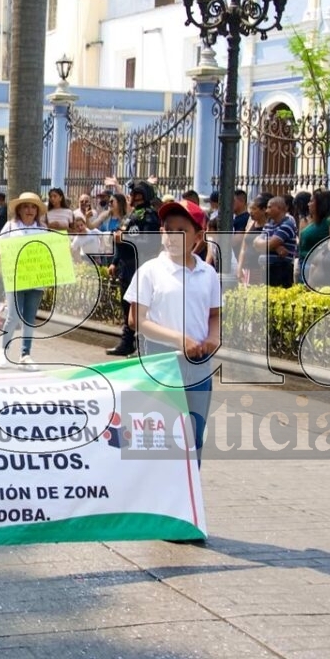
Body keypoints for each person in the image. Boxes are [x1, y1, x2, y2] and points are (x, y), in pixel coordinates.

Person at [125, 199, 220, 467]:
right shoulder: (150, 271)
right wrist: (179, 340)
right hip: (160, 362)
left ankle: (188, 501)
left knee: (193, 437)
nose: (171, 236)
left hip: (199, 364)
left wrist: (214, 337)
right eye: (167, 229)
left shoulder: (208, 274)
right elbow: (136, 320)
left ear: (198, 237)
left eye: (181, 230)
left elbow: (214, 315)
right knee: (159, 438)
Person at [105, 181, 160, 356]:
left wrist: (126, 238)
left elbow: (150, 243)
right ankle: (127, 342)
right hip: (126, 267)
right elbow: (120, 240)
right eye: (133, 194)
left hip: (141, 265)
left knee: (140, 308)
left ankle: (142, 345)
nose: (134, 198)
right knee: (127, 306)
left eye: (138, 195)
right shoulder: (132, 215)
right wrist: (115, 261)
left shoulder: (150, 216)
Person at [0, 192, 49, 371]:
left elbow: (49, 254)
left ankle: (25, 355)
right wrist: (0, 253)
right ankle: (3, 350)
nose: (29, 210)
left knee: (29, 319)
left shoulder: (43, 229)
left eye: (33, 207)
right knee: (13, 316)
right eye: (26, 206)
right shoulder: (11, 226)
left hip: (36, 278)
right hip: (15, 277)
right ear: (19, 209)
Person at [253, 195, 298, 288]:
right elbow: (255, 243)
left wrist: (270, 244)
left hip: (280, 269)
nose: (266, 210)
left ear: (279, 208)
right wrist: (276, 247)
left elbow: (269, 244)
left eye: (269, 207)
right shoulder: (269, 224)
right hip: (267, 268)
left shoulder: (287, 224)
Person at [298, 189, 330, 283]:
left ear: (320, 204)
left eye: (312, 201)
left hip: (316, 266)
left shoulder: (329, 222)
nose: (308, 204)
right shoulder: (314, 222)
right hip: (304, 263)